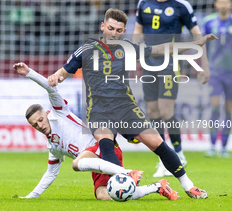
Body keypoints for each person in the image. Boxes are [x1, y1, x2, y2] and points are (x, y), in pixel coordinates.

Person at [48, 8, 217, 199]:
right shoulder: (87, 49)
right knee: (106, 144)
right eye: (111, 28)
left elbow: (162, 49)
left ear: (124, 31)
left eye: (119, 30)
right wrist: (56, 77)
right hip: (99, 111)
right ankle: (127, 177)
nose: (114, 33)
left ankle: (189, 186)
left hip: (127, 108)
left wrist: (196, 44)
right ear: (103, 27)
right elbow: (63, 71)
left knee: (158, 144)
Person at [13, 62, 178, 201]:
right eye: (35, 125)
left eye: (40, 120)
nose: (40, 125)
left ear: (46, 114)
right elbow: (50, 174)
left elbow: (51, 89)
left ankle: (128, 172)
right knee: (105, 196)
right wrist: (31, 197)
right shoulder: (53, 147)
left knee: (76, 164)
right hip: (95, 164)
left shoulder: (59, 113)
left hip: (103, 148)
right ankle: (157, 187)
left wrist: (29, 73)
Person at [133, 0, 210, 177]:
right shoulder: (144, 3)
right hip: (148, 63)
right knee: (152, 113)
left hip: (171, 63)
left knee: (166, 111)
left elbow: (198, 36)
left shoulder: (181, 6)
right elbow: (138, 31)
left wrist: (204, 66)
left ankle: (178, 153)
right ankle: (163, 157)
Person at [203, 0, 232, 158]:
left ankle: (224, 146)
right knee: (214, 107)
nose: (223, 4)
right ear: (216, 4)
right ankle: (212, 145)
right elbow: (203, 45)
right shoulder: (209, 22)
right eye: (220, 1)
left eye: (226, 2)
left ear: (230, 4)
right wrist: (203, 67)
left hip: (231, 73)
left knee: (229, 111)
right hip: (215, 72)